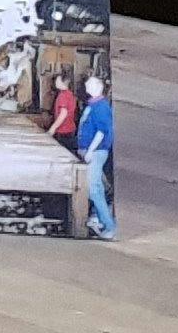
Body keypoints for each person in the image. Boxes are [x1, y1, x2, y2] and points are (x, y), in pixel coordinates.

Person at [74, 75, 115, 237]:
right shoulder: (93, 104)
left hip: (96, 152)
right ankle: (98, 217)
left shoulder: (101, 107)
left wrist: (90, 150)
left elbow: (102, 131)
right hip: (91, 150)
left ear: (98, 87)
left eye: (89, 85)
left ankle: (109, 226)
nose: (87, 87)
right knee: (96, 186)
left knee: (94, 189)